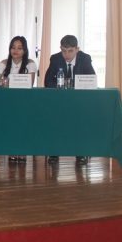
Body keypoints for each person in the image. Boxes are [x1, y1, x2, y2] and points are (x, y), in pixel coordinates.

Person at [43, 34, 96, 166]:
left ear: (77, 49)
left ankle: (80, 153)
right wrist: (61, 87)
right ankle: (54, 152)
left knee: (80, 119)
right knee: (54, 118)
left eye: (70, 51)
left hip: (79, 101)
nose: (66, 55)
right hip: (59, 100)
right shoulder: (55, 59)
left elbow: (92, 80)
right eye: (63, 51)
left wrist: (74, 85)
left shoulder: (85, 59)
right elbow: (47, 81)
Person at [0, 35, 39, 164]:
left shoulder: (30, 63)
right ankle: (12, 150)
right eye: (13, 47)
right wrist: (11, 82)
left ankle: (22, 150)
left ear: (25, 50)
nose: (15, 50)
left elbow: (29, 82)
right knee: (10, 123)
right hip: (6, 100)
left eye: (19, 48)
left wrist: (8, 82)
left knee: (22, 122)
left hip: (25, 100)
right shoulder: (3, 64)